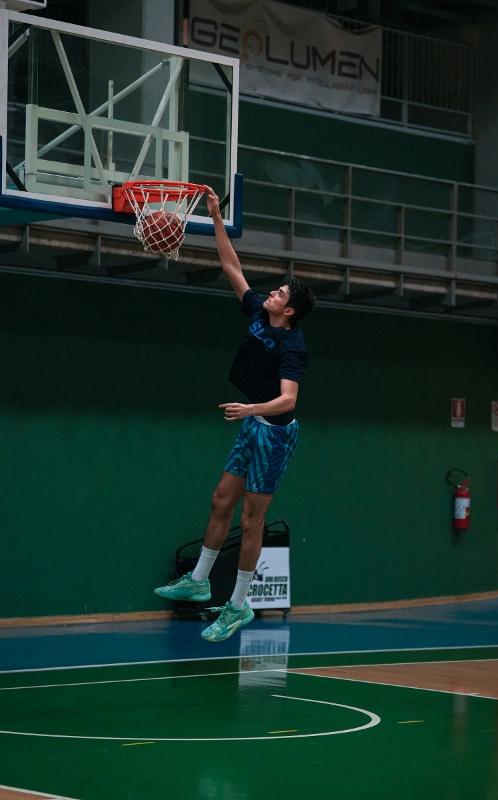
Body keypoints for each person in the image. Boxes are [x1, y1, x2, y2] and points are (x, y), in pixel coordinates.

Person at [154, 186, 315, 643]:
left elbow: (289, 401)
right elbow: (232, 267)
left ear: (291, 310)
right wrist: (215, 218)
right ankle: (199, 579)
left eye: (280, 292)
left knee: (251, 520)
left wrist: (251, 408)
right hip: (252, 422)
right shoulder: (260, 316)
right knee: (220, 499)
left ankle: (238, 605)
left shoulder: (292, 346)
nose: (271, 292)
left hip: (275, 433)